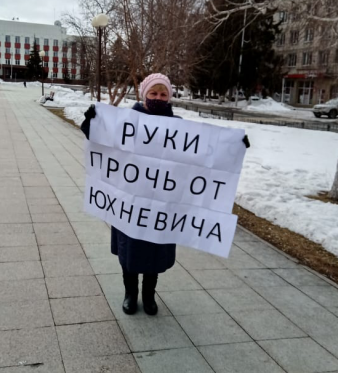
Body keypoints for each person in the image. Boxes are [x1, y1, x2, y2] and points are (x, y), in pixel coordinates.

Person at [81, 73, 250, 316]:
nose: (158, 98)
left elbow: (204, 155)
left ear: (169, 97)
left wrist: (234, 146)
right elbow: (101, 141)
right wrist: (91, 122)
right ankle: (131, 294)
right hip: (131, 205)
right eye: (153, 93)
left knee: (154, 254)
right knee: (130, 253)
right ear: (143, 94)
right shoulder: (127, 122)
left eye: (163, 94)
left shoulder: (179, 127)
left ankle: (149, 294)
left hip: (163, 208)